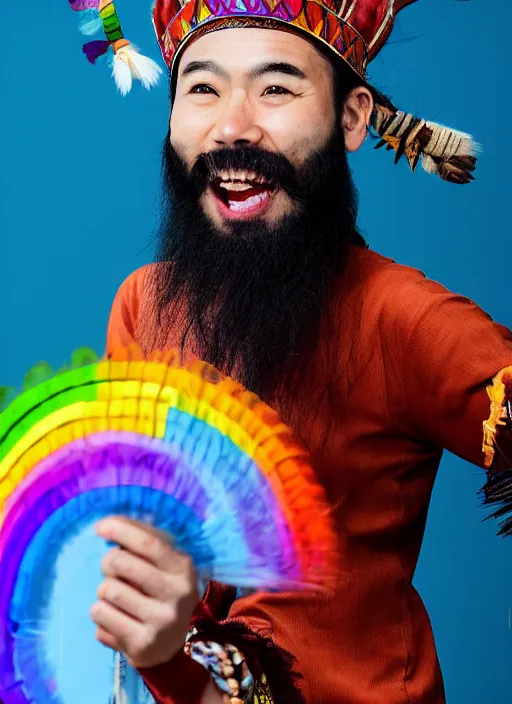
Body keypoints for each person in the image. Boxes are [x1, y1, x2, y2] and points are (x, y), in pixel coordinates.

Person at [67, 0, 512, 701]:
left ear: (352, 117)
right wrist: (155, 634)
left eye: (276, 87)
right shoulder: (144, 307)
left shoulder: (400, 319)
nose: (233, 126)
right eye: (203, 88)